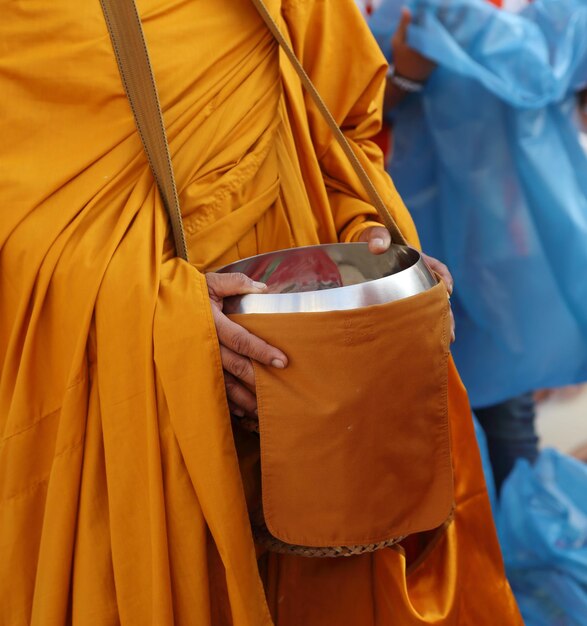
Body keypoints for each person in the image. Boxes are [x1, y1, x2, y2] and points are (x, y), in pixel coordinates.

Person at [0, 1, 522, 624]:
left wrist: (362, 256)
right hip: (121, 421)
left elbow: (338, 127)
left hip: (326, 387)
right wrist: (164, 324)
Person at [369, 0, 587, 491]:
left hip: (504, 247)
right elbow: (342, 112)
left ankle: (511, 551)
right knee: (423, 416)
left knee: (507, 419)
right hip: (409, 244)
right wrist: (408, 73)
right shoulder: (397, 14)